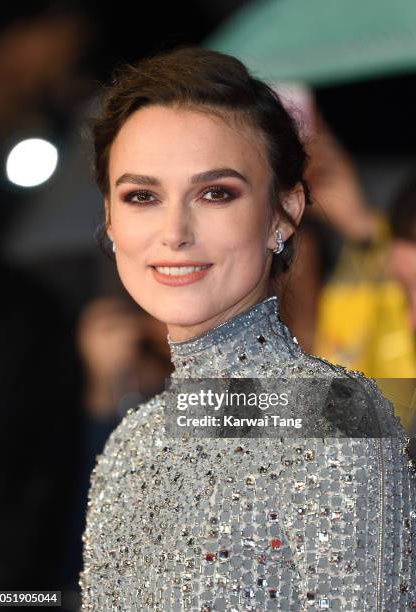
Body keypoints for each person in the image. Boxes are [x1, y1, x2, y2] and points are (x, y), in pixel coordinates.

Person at [79, 46, 416, 610]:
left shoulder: (334, 418)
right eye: (142, 196)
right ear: (111, 220)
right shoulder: (131, 441)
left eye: (216, 193)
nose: (174, 232)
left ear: (284, 212)